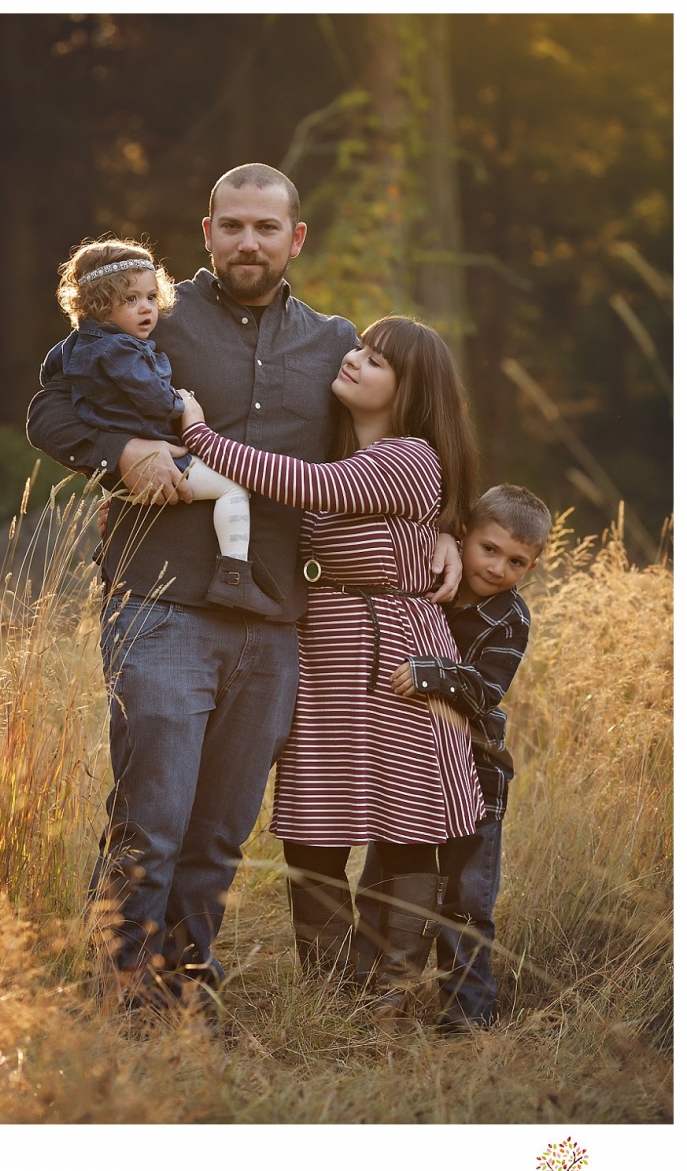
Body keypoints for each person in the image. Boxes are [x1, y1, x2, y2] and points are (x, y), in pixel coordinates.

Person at [26, 163, 463, 1015]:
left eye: (267, 227)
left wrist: (437, 526)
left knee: (222, 826)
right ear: (207, 233)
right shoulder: (151, 317)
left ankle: (189, 982)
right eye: (233, 225)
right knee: (152, 811)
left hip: (276, 621)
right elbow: (50, 411)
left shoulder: (331, 340)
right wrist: (118, 453)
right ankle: (124, 991)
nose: (248, 241)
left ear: (295, 238)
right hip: (160, 602)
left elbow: (390, 443)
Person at [179, 314, 486, 1017]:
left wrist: (198, 436)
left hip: (396, 662)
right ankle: (332, 992)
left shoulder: (410, 456)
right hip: (324, 664)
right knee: (316, 826)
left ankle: (392, 991)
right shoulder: (344, 447)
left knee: (406, 825)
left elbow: (298, 484)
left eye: (376, 360)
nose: (354, 358)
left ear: (411, 389)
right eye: (358, 348)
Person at [358, 483, 552, 1031]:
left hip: (476, 775)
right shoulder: (425, 581)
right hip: (410, 767)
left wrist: (432, 672)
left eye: (517, 561)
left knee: (467, 900)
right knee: (385, 880)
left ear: (530, 568)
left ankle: (466, 1012)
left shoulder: (508, 617)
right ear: (463, 536)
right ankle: (373, 991)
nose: (497, 567)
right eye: (489, 549)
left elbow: (486, 689)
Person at [41, 236, 280, 617]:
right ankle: (235, 575)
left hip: (121, 484)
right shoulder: (123, 350)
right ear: (100, 306)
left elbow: (48, 370)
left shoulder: (76, 345)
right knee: (234, 487)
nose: (146, 309)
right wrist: (181, 404)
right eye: (130, 300)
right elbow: (150, 395)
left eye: (151, 297)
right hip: (159, 463)